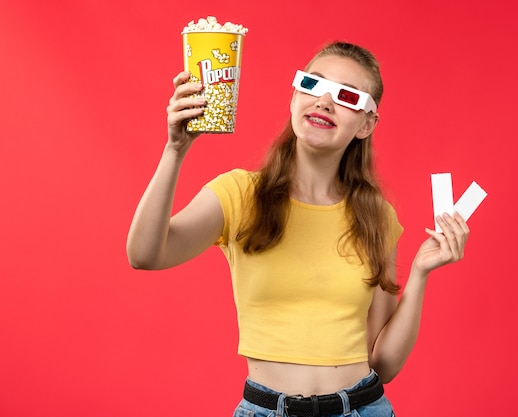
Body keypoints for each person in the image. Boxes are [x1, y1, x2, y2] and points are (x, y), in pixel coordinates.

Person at [126, 41, 470, 417]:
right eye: (312, 84)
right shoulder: (240, 194)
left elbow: (383, 363)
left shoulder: (378, 217)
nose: (324, 101)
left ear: (366, 124)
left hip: (362, 408)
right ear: (294, 98)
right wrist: (175, 150)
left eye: (345, 95)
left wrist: (420, 273)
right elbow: (145, 254)